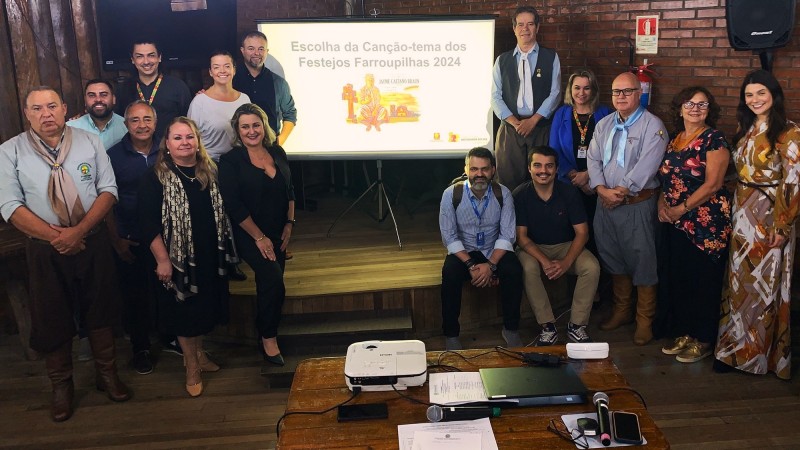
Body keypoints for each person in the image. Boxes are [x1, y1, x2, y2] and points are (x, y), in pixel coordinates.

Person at [0, 87, 130, 421]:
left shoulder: (89, 142)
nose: (46, 114)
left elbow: (108, 190)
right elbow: (10, 206)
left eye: (52, 106)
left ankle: (107, 375)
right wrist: (58, 237)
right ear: (27, 113)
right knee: (51, 316)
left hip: (92, 240)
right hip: (45, 249)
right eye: (37, 108)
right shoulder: (9, 151)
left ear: (64, 109)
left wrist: (79, 231)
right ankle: (61, 387)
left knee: (101, 308)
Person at [138, 117, 235, 396]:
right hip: (176, 258)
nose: (185, 142)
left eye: (189, 137)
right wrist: (163, 260)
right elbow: (147, 224)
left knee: (202, 310)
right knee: (184, 314)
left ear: (197, 141)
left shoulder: (209, 171)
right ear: (167, 144)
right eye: (178, 138)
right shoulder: (154, 177)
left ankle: (201, 354)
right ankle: (191, 365)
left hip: (207, 255)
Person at [714, 70, 800, 379]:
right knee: (739, 284)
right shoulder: (746, 127)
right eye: (749, 95)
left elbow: (793, 182)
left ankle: (758, 356)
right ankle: (735, 349)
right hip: (742, 212)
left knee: (764, 286)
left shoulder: (789, 132)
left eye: (760, 93)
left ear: (774, 95)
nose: (755, 100)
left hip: (769, 216)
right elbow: (741, 171)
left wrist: (782, 225)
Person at [587, 72, 668, 345]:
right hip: (605, 203)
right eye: (616, 92)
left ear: (639, 94)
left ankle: (644, 319)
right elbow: (593, 158)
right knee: (613, 258)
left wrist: (619, 192)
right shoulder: (604, 124)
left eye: (627, 91)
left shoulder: (652, 126)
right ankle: (622, 311)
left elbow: (647, 166)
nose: (620, 97)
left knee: (643, 261)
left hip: (635, 204)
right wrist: (600, 189)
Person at [656, 87, 731, 363]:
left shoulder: (714, 139)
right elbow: (667, 177)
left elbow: (713, 184)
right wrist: (663, 205)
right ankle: (685, 333)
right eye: (690, 103)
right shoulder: (675, 139)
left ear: (710, 110)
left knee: (704, 281)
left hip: (706, 222)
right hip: (676, 221)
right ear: (680, 108)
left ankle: (704, 339)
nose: (695, 109)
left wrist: (680, 209)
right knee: (682, 278)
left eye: (702, 104)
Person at [218, 103, 295, 366]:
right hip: (249, 233)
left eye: (256, 125)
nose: (252, 131)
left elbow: (290, 190)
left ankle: (267, 326)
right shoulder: (230, 161)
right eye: (245, 127)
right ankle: (268, 338)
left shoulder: (277, 151)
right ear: (238, 132)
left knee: (271, 284)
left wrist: (289, 224)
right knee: (273, 278)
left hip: (278, 231)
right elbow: (233, 205)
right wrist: (259, 238)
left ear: (264, 126)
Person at [513, 146, 600, 346]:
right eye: (537, 165)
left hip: (565, 245)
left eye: (549, 166)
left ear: (556, 169)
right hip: (533, 248)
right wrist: (545, 261)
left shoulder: (568, 192)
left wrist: (565, 262)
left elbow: (582, 233)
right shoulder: (520, 194)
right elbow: (522, 237)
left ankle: (577, 325)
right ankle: (547, 326)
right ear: (529, 168)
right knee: (528, 268)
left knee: (591, 267)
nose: (543, 171)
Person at [439, 147, 523, 351]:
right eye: (474, 169)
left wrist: (490, 265)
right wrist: (470, 264)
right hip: (464, 250)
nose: (479, 174)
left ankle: (511, 329)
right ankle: (451, 334)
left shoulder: (503, 194)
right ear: (466, 169)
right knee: (449, 273)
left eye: (484, 169)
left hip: (492, 249)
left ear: (493, 170)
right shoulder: (451, 194)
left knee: (514, 270)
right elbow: (449, 236)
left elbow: (507, 235)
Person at [106, 100, 160, 374]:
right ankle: (140, 348)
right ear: (126, 124)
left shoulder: (169, 149)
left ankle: (172, 338)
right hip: (132, 238)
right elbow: (105, 201)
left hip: (167, 238)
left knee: (167, 292)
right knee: (135, 297)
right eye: (135, 120)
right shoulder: (112, 156)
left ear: (155, 122)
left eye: (147, 119)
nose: (142, 125)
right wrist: (116, 240)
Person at [491, 6, 561, 192]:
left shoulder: (551, 57)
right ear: (514, 28)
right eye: (520, 24)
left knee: (541, 182)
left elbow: (555, 94)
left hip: (540, 129)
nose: (525, 28)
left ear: (537, 28)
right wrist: (515, 123)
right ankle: (510, 222)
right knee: (507, 183)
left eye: (530, 24)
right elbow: (495, 96)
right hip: (510, 131)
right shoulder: (502, 60)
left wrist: (533, 120)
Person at [549, 69, 613, 253]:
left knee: (596, 231)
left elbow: (610, 150)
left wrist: (589, 176)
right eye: (577, 87)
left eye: (587, 88)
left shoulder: (606, 113)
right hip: (568, 182)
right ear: (570, 89)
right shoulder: (561, 113)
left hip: (597, 185)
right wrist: (573, 175)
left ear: (593, 90)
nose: (581, 93)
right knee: (570, 228)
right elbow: (554, 150)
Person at [115, 40, 192, 140]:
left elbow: (188, 123)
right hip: (134, 151)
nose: (146, 62)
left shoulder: (178, 87)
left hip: (169, 150)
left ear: (159, 57)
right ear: (132, 59)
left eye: (151, 55)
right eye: (140, 56)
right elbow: (118, 122)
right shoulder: (123, 89)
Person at [233, 31, 297, 146]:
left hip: (270, 148)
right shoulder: (231, 80)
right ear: (242, 51)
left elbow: (290, 114)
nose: (256, 53)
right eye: (251, 48)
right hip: (238, 149)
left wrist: (279, 141)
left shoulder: (278, 83)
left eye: (261, 49)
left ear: (267, 52)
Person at [188, 51, 251, 162]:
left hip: (241, 163)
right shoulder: (199, 102)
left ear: (234, 70)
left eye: (227, 66)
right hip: (210, 166)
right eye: (216, 67)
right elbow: (191, 138)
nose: (222, 71)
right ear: (211, 72)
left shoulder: (244, 99)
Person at [67, 79, 127, 150]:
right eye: (92, 95)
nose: (98, 99)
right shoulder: (70, 128)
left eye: (104, 95)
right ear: (85, 100)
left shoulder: (127, 127)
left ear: (113, 99)